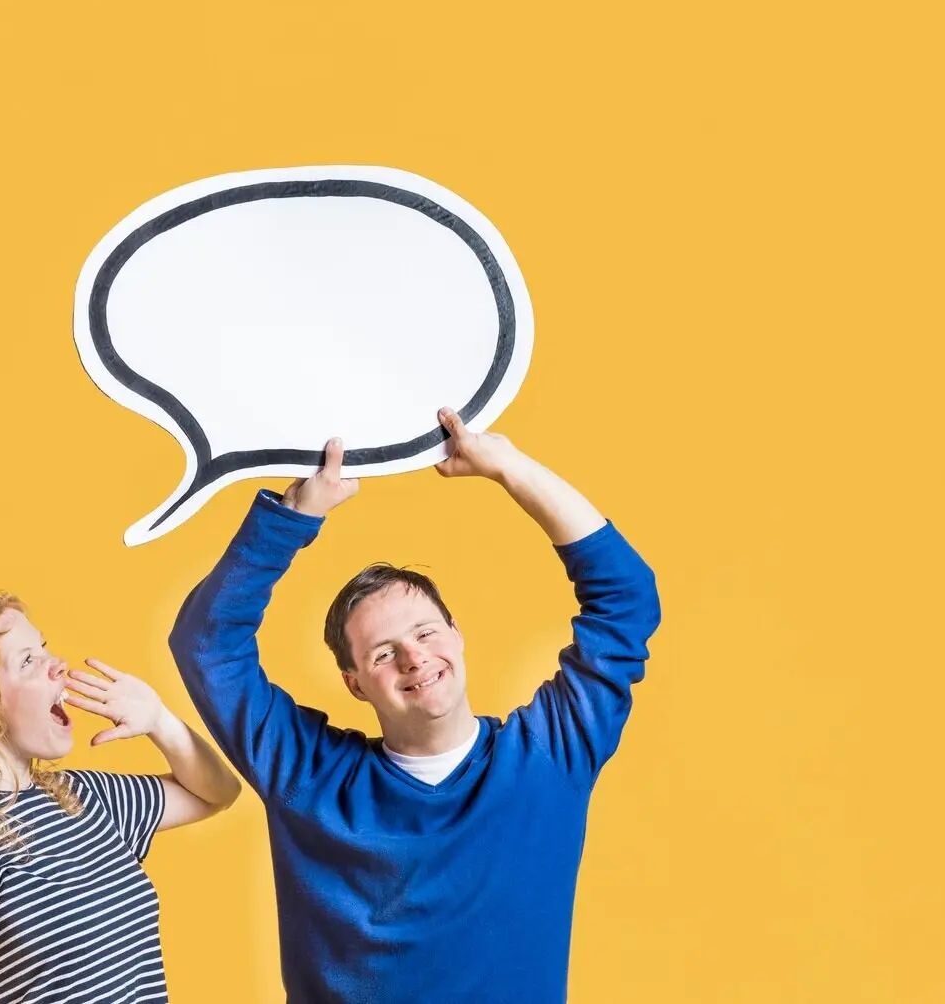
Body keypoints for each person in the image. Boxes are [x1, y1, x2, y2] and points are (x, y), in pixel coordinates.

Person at [169, 408, 661, 1004]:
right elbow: (208, 645)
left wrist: (509, 467)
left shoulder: (550, 757)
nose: (413, 658)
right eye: (383, 653)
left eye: (426, 633)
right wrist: (294, 517)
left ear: (456, 634)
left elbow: (627, 598)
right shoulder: (307, 773)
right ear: (354, 683)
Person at [0, 592, 241, 1004]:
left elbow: (217, 792)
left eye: (44, 648)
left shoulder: (86, 797)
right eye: (28, 661)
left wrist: (159, 720)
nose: (58, 665)